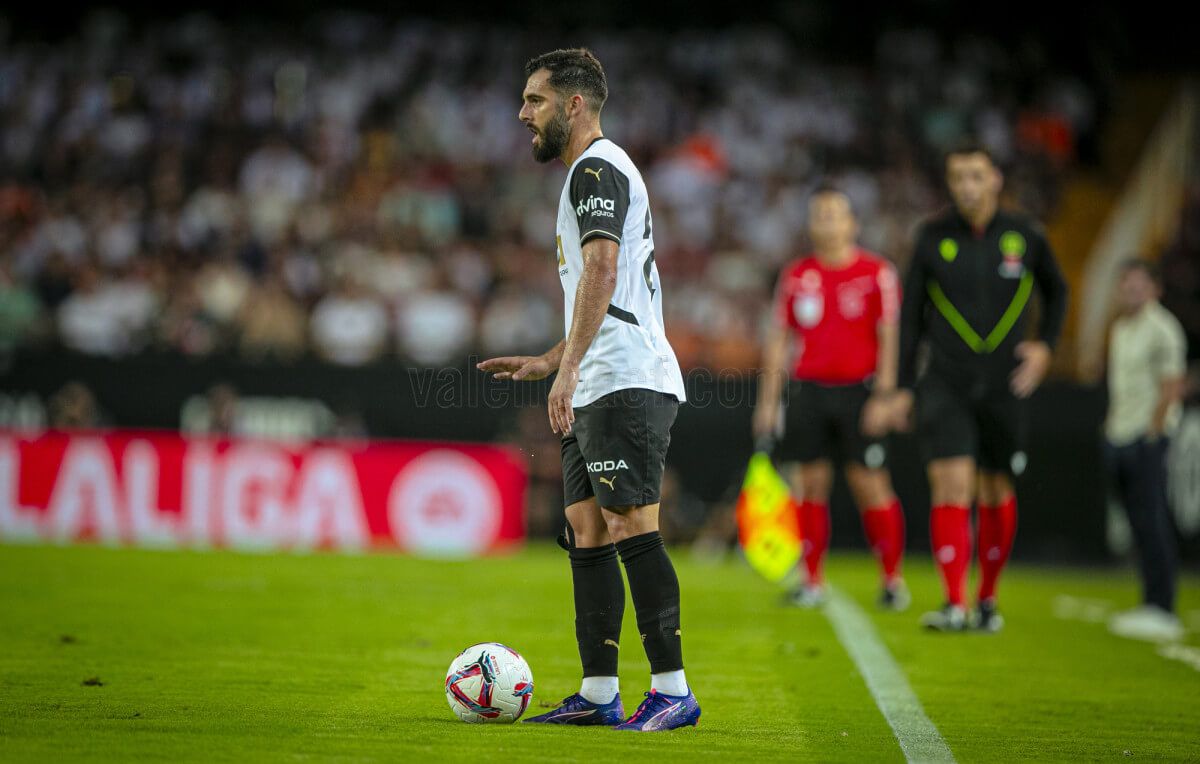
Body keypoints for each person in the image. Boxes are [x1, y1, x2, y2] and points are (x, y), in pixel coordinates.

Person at [477, 48, 698, 731]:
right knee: (586, 526)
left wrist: (569, 368)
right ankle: (600, 692)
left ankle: (672, 690)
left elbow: (603, 268)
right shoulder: (591, 170)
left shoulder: (596, 168)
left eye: (535, 100)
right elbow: (606, 289)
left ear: (573, 105)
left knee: (630, 521)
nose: (523, 113)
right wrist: (554, 360)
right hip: (598, 376)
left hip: (624, 378)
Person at [891, 142, 1068, 632]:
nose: (967, 186)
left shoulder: (1026, 235)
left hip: (1003, 383)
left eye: (976, 175)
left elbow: (1058, 291)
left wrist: (1046, 346)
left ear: (995, 179)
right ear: (949, 184)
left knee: (994, 489)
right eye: (958, 177)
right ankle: (955, 603)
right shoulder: (931, 237)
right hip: (945, 381)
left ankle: (987, 599)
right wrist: (902, 386)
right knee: (951, 484)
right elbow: (910, 317)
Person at [753, 186, 909, 611]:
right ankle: (811, 580)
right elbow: (778, 341)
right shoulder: (796, 275)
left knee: (871, 484)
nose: (825, 221)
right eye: (819, 214)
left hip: (861, 391)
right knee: (810, 484)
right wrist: (768, 403)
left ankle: (892, 579)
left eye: (833, 214)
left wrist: (884, 395)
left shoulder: (877, 272)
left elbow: (890, 337)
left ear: (852, 223)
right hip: (810, 390)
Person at [1104, 260, 1187, 642]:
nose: (1132, 290)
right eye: (1127, 283)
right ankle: (1149, 600)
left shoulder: (1163, 328)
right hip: (1120, 433)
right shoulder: (1121, 328)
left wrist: (1153, 432)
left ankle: (1163, 606)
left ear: (1155, 288)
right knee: (1136, 522)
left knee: (1152, 519)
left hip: (1146, 436)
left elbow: (1172, 385)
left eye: (1140, 283)